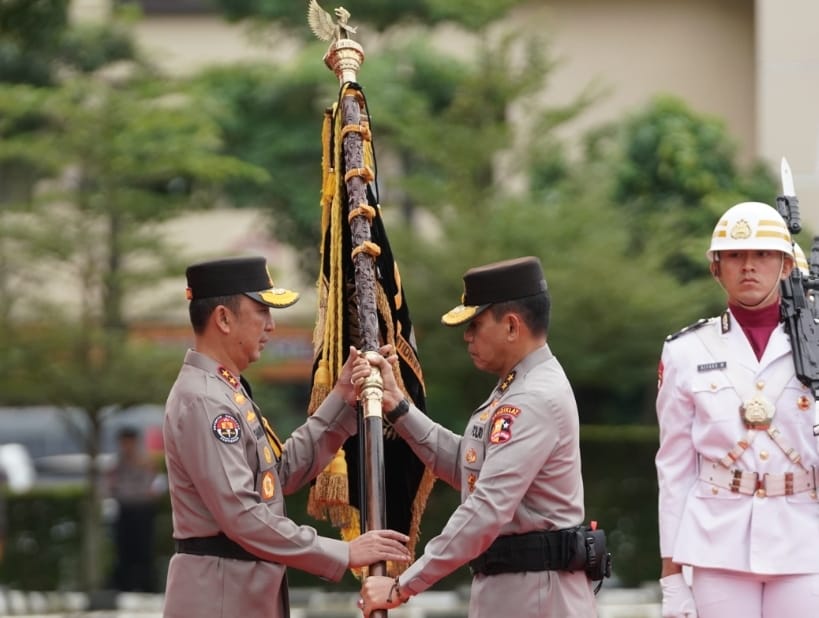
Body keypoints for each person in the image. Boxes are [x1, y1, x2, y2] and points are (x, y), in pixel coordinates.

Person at [162, 256, 411, 618]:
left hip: (237, 591)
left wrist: (342, 399)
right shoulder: (205, 399)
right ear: (223, 318)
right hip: (220, 597)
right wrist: (344, 553)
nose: (271, 325)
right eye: (261, 310)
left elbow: (277, 476)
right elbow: (242, 514)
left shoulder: (223, 391)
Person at [358, 256, 597, 618]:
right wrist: (398, 408)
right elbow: (468, 468)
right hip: (519, 586)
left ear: (512, 326)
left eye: (476, 323)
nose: (467, 336)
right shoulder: (516, 388)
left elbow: (486, 508)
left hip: (535, 594)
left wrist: (401, 585)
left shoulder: (532, 397)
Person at [655, 201, 819, 618]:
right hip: (716, 539)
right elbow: (674, 468)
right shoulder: (686, 351)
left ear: (785, 266)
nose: (749, 266)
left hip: (806, 538)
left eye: (763, 254)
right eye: (735, 256)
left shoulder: (815, 345)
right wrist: (672, 574)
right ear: (716, 268)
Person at [108, 426, 162, 592]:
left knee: (144, 548)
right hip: (124, 509)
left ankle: (146, 585)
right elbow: (110, 486)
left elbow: (155, 486)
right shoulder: (116, 463)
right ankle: (124, 585)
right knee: (124, 549)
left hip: (143, 510)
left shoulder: (146, 462)